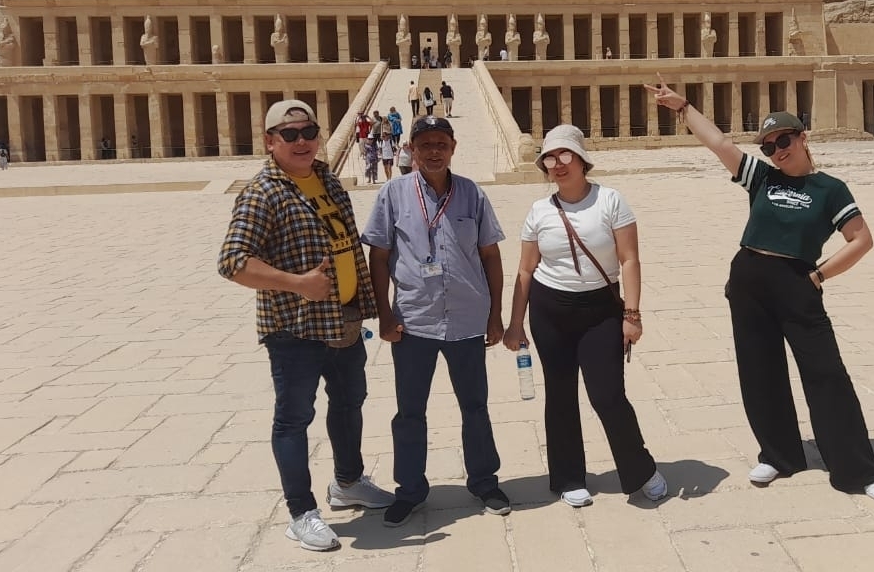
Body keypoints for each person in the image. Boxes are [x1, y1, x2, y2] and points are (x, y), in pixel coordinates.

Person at [647, 75, 874, 503]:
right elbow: (720, 144)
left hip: (797, 282)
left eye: (785, 140)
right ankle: (779, 455)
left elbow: (861, 240)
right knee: (760, 372)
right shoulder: (763, 178)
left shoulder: (830, 189)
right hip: (748, 281)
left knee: (827, 374)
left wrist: (819, 275)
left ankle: (857, 468)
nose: (778, 150)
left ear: (803, 137)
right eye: (769, 145)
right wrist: (683, 108)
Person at [217, 100, 395, 552]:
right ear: (270, 141)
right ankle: (301, 512)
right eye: (289, 134)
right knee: (294, 419)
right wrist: (297, 283)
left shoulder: (328, 179)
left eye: (308, 131)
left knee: (349, 405)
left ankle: (348, 482)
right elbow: (233, 262)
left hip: (345, 320)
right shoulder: (263, 191)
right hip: (295, 328)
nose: (302, 141)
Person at [503, 124, 666, 508]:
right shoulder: (539, 210)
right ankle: (568, 477)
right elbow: (526, 270)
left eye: (565, 157)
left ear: (580, 160)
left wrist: (633, 314)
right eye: (549, 159)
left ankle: (641, 469)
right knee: (559, 395)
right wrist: (515, 323)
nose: (557, 166)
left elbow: (629, 259)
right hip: (550, 311)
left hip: (600, 311)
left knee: (608, 395)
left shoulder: (611, 200)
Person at [362, 115, 511, 527]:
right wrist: (385, 314)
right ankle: (409, 489)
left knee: (475, 406)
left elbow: (491, 256)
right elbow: (377, 257)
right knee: (410, 411)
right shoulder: (392, 193)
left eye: (440, 143)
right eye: (424, 143)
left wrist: (495, 314)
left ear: (453, 147)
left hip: (466, 319)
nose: (433, 151)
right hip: (413, 322)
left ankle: (484, 481)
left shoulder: (472, 194)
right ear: (410, 148)